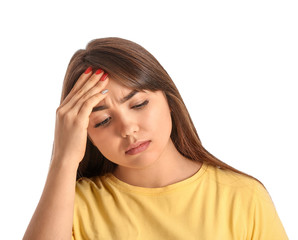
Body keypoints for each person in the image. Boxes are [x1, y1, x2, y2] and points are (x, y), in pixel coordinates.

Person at [23, 37, 288, 240]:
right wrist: (63, 159)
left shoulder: (243, 197)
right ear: (85, 135)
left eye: (138, 104)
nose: (127, 128)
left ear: (169, 100)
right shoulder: (72, 207)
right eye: (102, 121)